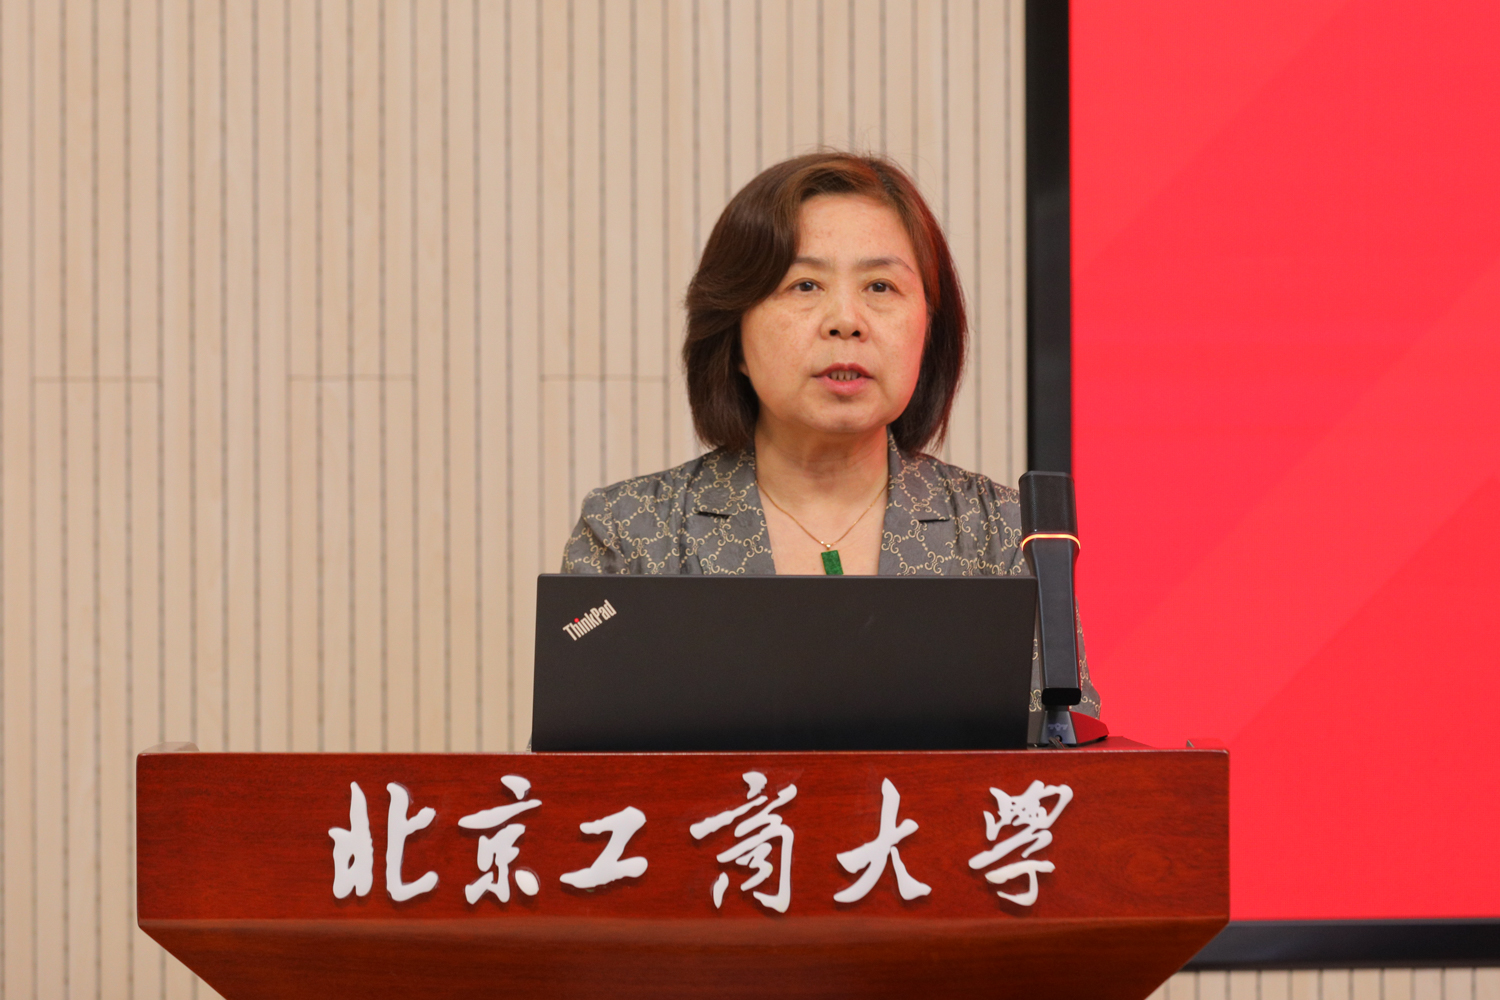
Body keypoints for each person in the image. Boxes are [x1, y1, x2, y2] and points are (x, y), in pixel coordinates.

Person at [561, 151, 1099, 728]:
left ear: (928, 329)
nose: (846, 320)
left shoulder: (1005, 535)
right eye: (805, 285)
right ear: (733, 333)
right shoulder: (630, 535)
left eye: (880, 286)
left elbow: (1068, 764)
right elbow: (584, 772)